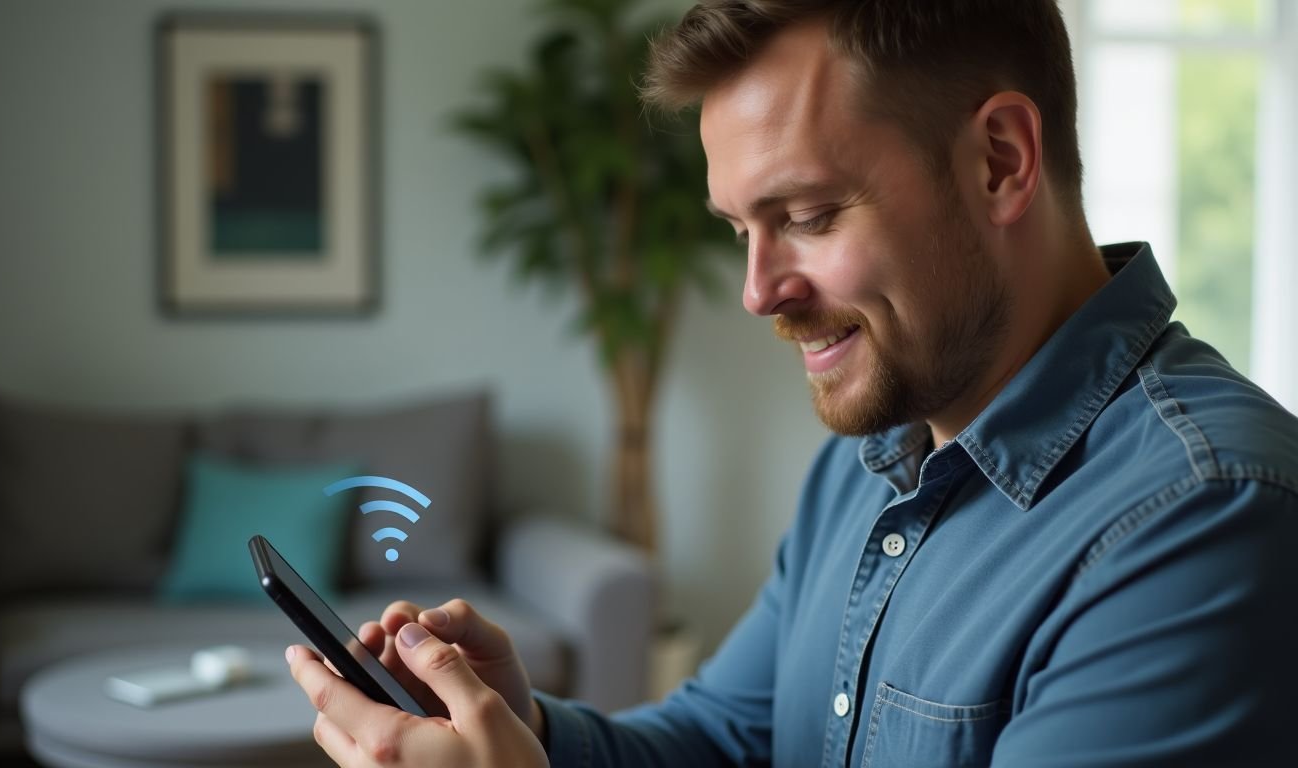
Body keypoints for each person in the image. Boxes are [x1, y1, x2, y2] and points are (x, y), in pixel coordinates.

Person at [286, 1, 1298, 765]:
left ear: (999, 160)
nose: (758, 291)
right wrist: (529, 730)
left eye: (807, 215)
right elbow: (726, 737)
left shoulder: (1203, 517)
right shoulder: (868, 467)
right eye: (740, 230)